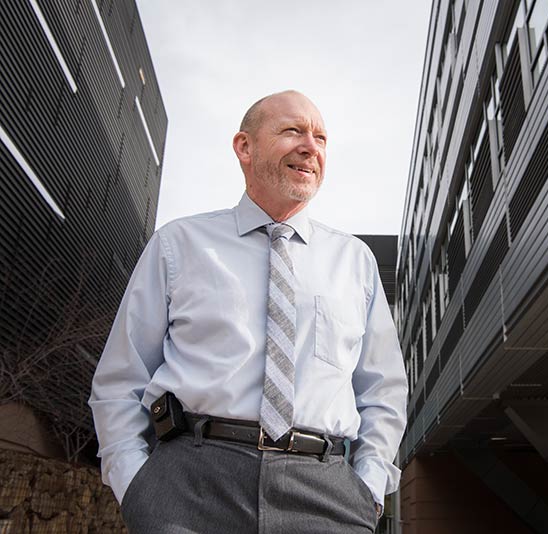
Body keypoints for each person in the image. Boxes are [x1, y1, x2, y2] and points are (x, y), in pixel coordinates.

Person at [89, 90, 408, 533]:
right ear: (245, 146)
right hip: (189, 486)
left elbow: (383, 390)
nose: (311, 146)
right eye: (293, 130)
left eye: (320, 137)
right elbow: (121, 379)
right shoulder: (177, 245)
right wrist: (136, 485)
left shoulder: (355, 261)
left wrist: (369, 488)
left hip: (326, 492)